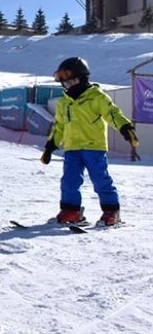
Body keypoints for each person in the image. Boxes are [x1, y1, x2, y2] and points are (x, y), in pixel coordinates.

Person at [40, 56, 140, 226]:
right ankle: (72, 211)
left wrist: (125, 127)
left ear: (82, 76)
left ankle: (111, 211)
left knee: (101, 179)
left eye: (70, 79)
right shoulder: (64, 102)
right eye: (63, 81)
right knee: (69, 181)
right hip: (72, 148)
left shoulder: (96, 96)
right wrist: (50, 146)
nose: (66, 84)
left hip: (94, 147)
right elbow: (59, 127)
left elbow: (112, 113)